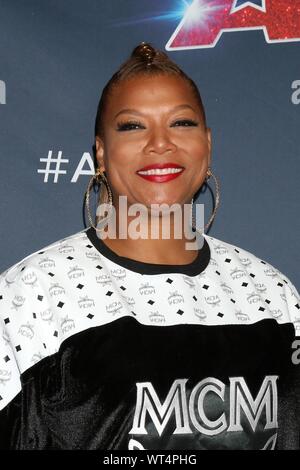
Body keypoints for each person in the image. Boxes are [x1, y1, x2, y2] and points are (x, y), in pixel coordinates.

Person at [0, 42, 299, 450]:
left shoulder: (273, 293)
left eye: (181, 123)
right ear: (101, 153)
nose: (160, 143)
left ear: (207, 145)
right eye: (132, 126)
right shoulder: (28, 296)